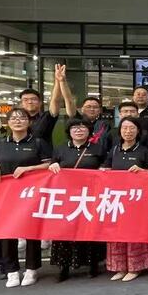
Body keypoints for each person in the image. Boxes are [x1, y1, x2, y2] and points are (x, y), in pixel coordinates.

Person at [0, 107, 52, 287]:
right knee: (8, 231)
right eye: (13, 118)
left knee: (32, 231)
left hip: (32, 194)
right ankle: (12, 271)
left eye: (22, 118)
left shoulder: (38, 142)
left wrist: (28, 169)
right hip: (7, 194)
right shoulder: (1, 143)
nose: (18, 121)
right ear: (8, 123)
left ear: (29, 122)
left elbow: (48, 164)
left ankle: (32, 269)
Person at [47, 118, 106, 281]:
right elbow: (52, 165)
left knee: (90, 230)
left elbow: (106, 166)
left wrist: (103, 169)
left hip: (91, 196)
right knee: (64, 231)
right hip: (67, 197)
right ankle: (64, 267)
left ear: (89, 131)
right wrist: (53, 166)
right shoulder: (61, 149)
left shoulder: (98, 148)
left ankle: (92, 265)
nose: (79, 130)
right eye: (75, 128)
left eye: (82, 127)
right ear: (69, 131)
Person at [102, 116, 148, 281]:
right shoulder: (114, 150)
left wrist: (142, 171)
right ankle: (120, 267)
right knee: (116, 233)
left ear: (138, 131)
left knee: (134, 232)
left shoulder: (144, 151)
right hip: (116, 199)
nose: (128, 131)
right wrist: (103, 171)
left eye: (132, 128)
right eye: (124, 128)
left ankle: (135, 267)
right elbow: (105, 168)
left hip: (137, 199)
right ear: (120, 131)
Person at [78, 95, 114, 161]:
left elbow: (105, 142)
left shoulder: (104, 124)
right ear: (82, 109)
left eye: (95, 107)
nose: (92, 109)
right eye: (88, 107)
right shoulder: (77, 123)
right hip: (79, 157)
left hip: (99, 158)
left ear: (100, 110)